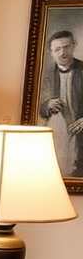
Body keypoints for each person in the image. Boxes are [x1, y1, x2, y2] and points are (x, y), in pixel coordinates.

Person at [39, 27, 83, 177]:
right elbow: (38, 107)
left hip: (79, 134)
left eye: (66, 47)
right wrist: (48, 105)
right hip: (56, 132)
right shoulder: (45, 74)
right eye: (57, 49)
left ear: (73, 45)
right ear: (51, 52)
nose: (62, 53)